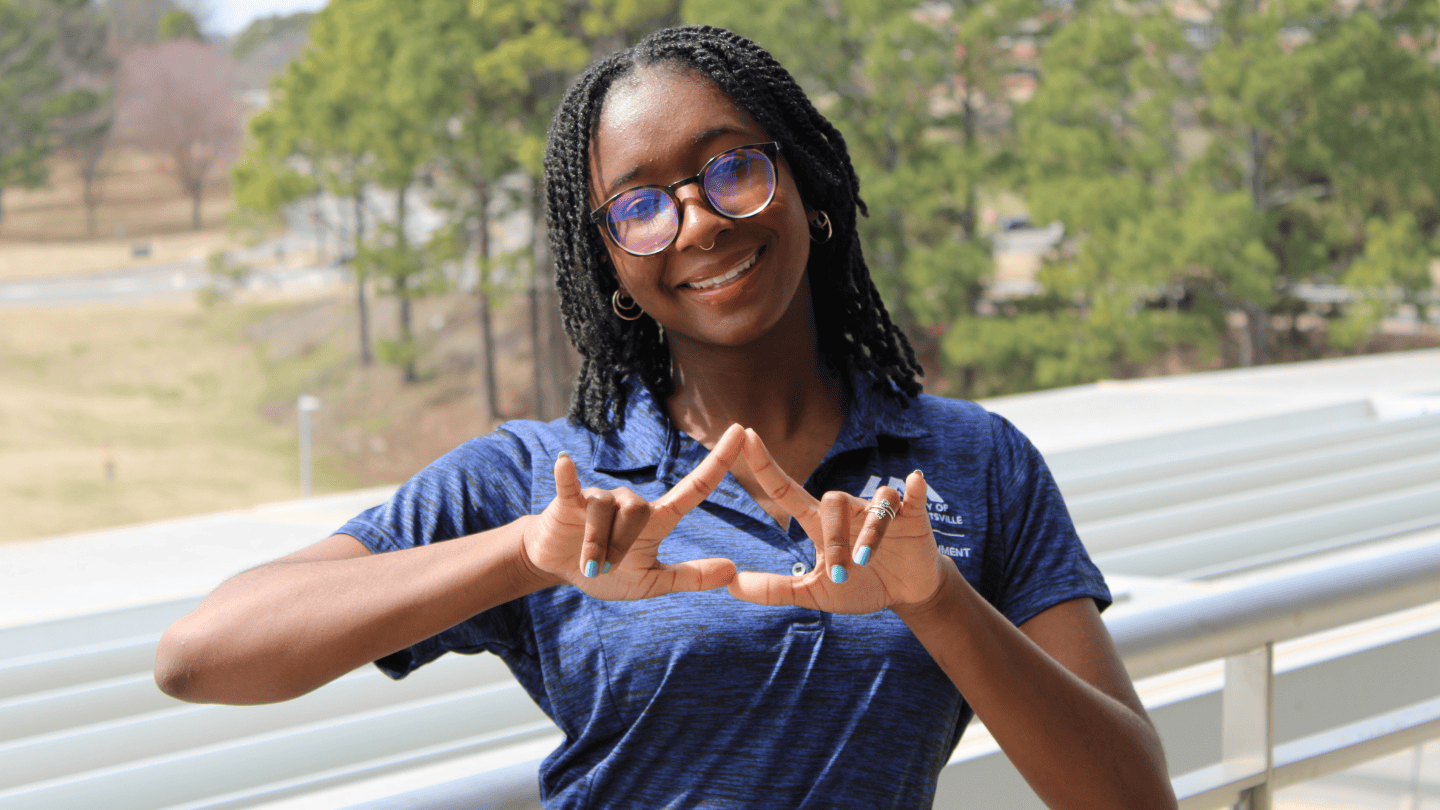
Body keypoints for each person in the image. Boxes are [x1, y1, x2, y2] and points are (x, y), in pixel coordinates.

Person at [155, 25, 1177, 810]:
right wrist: (525, 554)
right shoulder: (542, 481)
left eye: (732, 167)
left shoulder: (971, 461)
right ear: (609, 264)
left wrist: (934, 597)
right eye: (639, 205)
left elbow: (1133, 797)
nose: (697, 222)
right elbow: (200, 657)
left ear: (807, 184)